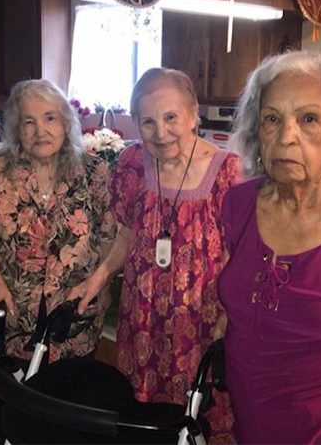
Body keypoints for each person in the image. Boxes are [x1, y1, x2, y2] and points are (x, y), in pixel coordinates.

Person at [70, 68, 242, 443]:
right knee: (143, 421)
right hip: (143, 322)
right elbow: (127, 234)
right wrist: (97, 280)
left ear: (193, 114)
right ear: (135, 122)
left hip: (202, 326)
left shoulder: (228, 172)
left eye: (170, 117)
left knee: (201, 422)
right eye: (147, 121)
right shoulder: (132, 163)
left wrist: (230, 314)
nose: (160, 133)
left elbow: (236, 255)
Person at [216, 51, 321, 444]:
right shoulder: (238, 203)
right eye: (273, 119)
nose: (287, 136)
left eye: (308, 119)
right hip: (249, 431)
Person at [0, 79, 116, 362]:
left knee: (70, 403)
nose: (41, 130)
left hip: (75, 321)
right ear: (16, 128)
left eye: (50, 118)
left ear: (65, 122)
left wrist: (101, 285)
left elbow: (109, 237)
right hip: (12, 322)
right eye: (29, 122)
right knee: (15, 404)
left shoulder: (96, 173)